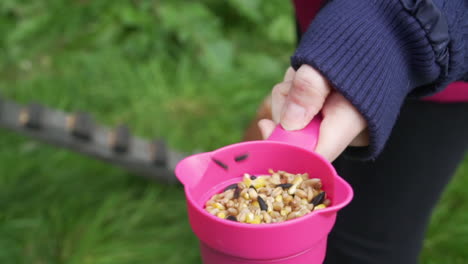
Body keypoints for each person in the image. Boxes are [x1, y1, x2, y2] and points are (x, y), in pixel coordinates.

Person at [244, 0, 468, 263]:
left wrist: (396, 25)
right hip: (328, 25)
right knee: (307, 199)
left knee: (367, 240)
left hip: (430, 69)